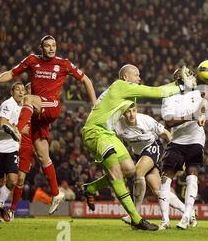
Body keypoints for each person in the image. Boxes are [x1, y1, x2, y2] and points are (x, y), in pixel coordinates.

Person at [0, 35, 97, 214]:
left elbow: (86, 80)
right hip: (38, 115)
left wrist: (94, 104)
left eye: (53, 45)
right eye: (47, 46)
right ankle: (56, 193)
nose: (51, 48)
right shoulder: (32, 60)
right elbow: (11, 73)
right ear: (41, 47)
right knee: (43, 156)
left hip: (52, 106)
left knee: (28, 98)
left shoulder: (64, 64)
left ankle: (16, 129)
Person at [81, 64, 195, 231]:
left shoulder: (126, 95)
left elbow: (155, 98)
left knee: (129, 169)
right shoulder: (121, 86)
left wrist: (180, 87)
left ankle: (91, 188)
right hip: (95, 131)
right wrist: (180, 85)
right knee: (118, 173)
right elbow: (157, 92)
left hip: (110, 135)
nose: (139, 78)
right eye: (136, 75)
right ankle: (136, 218)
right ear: (125, 77)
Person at [114, 104, 193, 227]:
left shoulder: (145, 120)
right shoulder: (118, 126)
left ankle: (133, 214)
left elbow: (166, 133)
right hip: (139, 155)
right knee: (158, 191)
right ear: (123, 113)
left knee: (138, 172)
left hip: (153, 147)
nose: (131, 114)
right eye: (128, 111)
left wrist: (177, 155)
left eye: (133, 111)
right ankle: (188, 211)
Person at [159, 67, 207, 230]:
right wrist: (192, 116)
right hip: (177, 141)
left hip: (195, 139)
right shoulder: (169, 96)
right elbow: (169, 122)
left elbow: (204, 106)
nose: (191, 77)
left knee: (192, 174)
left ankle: (186, 216)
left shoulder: (197, 93)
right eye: (187, 75)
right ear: (178, 79)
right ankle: (165, 220)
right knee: (165, 178)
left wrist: (202, 115)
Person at [0, 82, 24, 222]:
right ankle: (0, 208)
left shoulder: (23, 107)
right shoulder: (7, 104)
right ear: (12, 92)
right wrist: (14, 132)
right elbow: (2, 123)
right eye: (18, 89)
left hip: (11, 148)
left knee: (12, 180)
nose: (21, 92)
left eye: (23, 90)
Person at [9, 82, 34, 215]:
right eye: (27, 89)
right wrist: (17, 128)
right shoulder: (15, 106)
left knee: (20, 180)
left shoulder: (35, 109)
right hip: (11, 144)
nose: (26, 92)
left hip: (26, 147)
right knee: (8, 179)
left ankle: (12, 210)